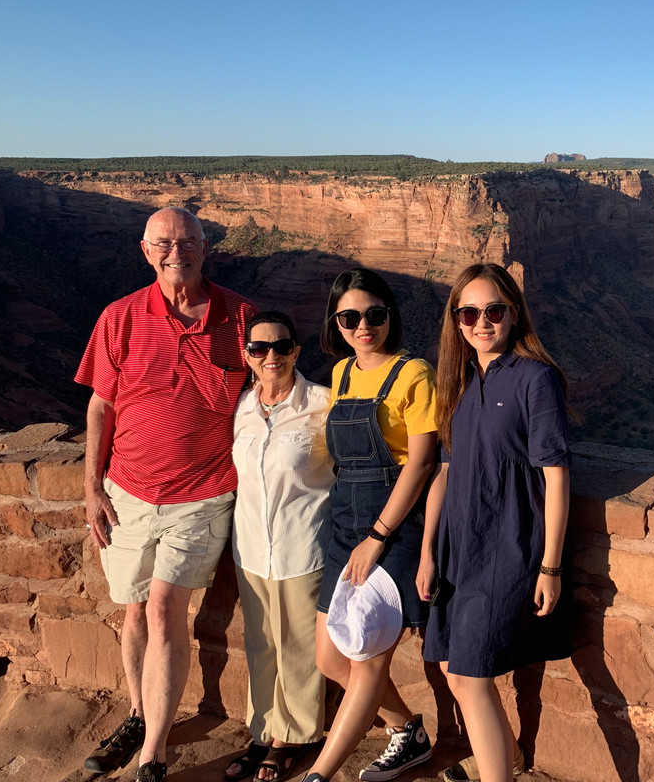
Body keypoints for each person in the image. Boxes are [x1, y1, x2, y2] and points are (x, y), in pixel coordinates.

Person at [76, 207, 256, 782]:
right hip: (126, 489)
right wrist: (91, 487)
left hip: (203, 492)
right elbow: (102, 405)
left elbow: (271, 392)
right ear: (145, 250)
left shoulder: (241, 316)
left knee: (162, 607)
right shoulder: (120, 317)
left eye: (187, 241)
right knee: (133, 610)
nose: (176, 251)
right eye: (164, 243)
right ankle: (138, 711)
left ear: (207, 247)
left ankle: (152, 751)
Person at [418, 263, 572, 782]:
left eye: (493, 311)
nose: (481, 323)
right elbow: (443, 472)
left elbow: (555, 476)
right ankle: (502, 766)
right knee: (452, 672)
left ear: (512, 313)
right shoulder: (458, 379)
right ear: (455, 320)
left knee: (469, 674)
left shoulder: (535, 378)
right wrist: (427, 553)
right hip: (456, 549)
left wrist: (549, 566)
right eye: (468, 313)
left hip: (508, 545)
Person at [300, 268, 436, 782]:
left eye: (375, 315)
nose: (364, 326)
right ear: (336, 323)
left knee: (368, 660)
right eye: (350, 317)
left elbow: (421, 465)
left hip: (395, 525)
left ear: (390, 317)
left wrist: (378, 537)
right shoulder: (340, 374)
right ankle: (408, 732)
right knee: (331, 658)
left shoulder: (414, 373)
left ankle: (320, 774)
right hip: (343, 523)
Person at [224, 310, 333, 782]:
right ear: (247, 356)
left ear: (297, 351)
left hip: (302, 542)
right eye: (259, 348)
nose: (271, 356)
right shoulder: (242, 408)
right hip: (249, 547)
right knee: (261, 643)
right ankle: (264, 729)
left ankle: (294, 737)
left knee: (298, 645)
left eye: (281, 347)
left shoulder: (322, 404)